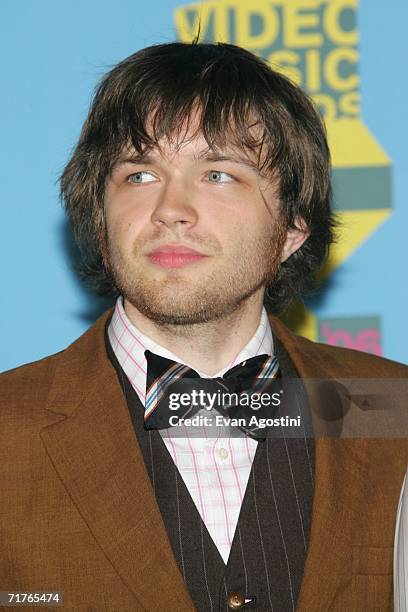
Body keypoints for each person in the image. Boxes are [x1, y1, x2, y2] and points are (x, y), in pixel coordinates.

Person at [1, 41, 407, 612]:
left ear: (293, 227)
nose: (171, 208)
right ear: (100, 213)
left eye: (218, 174)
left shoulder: (395, 410)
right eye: (140, 175)